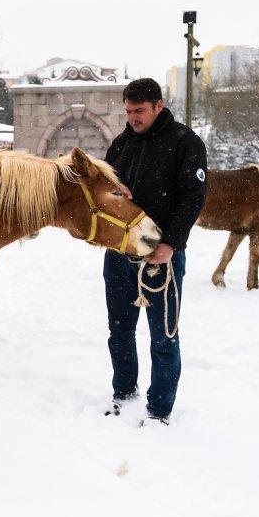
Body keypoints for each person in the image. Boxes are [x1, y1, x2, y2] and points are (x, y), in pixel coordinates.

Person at [102, 78, 207, 424]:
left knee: (163, 338)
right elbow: (105, 188)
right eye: (129, 111)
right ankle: (124, 393)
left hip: (162, 257)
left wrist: (170, 244)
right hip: (119, 254)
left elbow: (194, 198)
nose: (133, 118)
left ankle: (159, 409)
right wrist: (115, 191)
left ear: (158, 105)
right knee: (120, 332)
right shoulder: (120, 144)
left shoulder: (185, 142)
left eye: (140, 111)